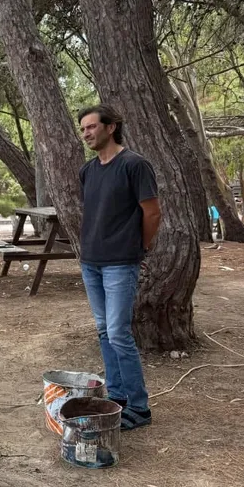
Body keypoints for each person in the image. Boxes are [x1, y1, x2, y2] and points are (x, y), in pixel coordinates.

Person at [78, 105, 162, 431]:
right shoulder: (88, 171)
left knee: (118, 333)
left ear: (111, 127)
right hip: (91, 263)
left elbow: (152, 213)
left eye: (91, 127)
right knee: (103, 331)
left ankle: (139, 407)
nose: (86, 133)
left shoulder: (135, 165)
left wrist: (139, 246)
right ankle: (119, 398)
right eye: (83, 129)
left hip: (120, 263)